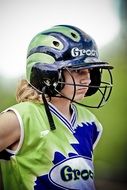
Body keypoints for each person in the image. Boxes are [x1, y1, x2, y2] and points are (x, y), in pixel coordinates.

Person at [0, 25, 113, 190]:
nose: (88, 80)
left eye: (90, 71)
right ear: (47, 74)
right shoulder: (20, 119)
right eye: (78, 71)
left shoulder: (91, 123)